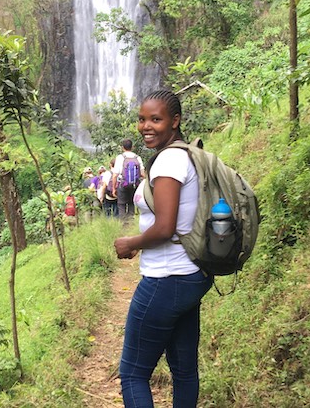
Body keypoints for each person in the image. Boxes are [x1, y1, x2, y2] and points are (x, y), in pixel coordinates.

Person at [113, 90, 213, 407]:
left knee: (132, 374)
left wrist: (131, 243)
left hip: (165, 278)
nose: (146, 126)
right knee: (184, 371)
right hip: (190, 275)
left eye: (156, 119)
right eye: (142, 119)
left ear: (175, 121)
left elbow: (165, 227)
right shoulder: (187, 154)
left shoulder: (169, 160)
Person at [112, 139, 145, 223]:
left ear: (122, 147)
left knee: (121, 204)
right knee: (131, 203)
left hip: (122, 184)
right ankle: (131, 223)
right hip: (134, 185)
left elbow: (115, 175)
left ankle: (123, 224)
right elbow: (142, 174)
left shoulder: (120, 157)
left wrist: (113, 188)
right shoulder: (137, 157)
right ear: (132, 147)